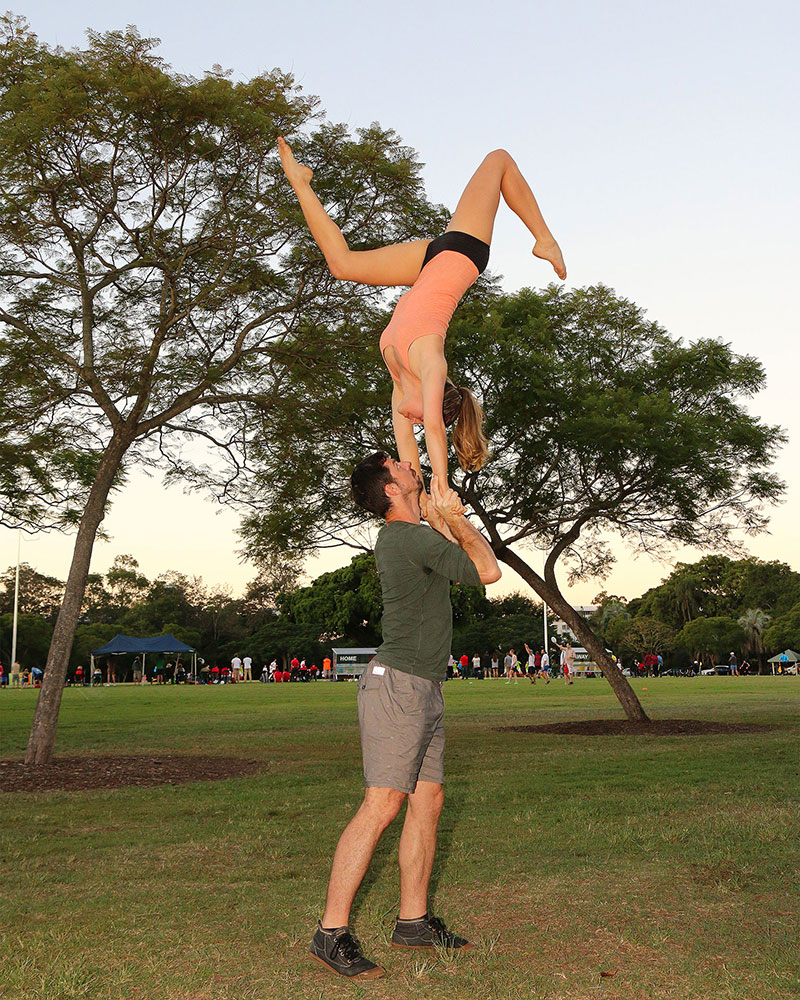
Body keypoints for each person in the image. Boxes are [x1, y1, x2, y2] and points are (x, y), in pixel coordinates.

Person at [278, 138, 565, 492]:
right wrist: (442, 485)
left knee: (342, 264)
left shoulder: (400, 383)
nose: (411, 420)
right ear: (432, 401)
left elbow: (409, 456)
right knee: (499, 159)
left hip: (428, 262)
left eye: (413, 419)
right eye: (421, 417)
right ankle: (545, 239)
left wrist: (423, 496)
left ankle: (300, 182)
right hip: (462, 253)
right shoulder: (431, 362)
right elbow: (431, 429)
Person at [308, 453, 501, 979]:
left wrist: (441, 513)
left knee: (428, 800)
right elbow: (487, 569)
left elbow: (453, 549)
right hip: (399, 687)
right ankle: (330, 933)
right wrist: (457, 518)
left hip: (423, 685)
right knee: (382, 805)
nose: (409, 464)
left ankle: (413, 921)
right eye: (400, 466)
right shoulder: (407, 537)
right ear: (391, 491)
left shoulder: (413, 535)